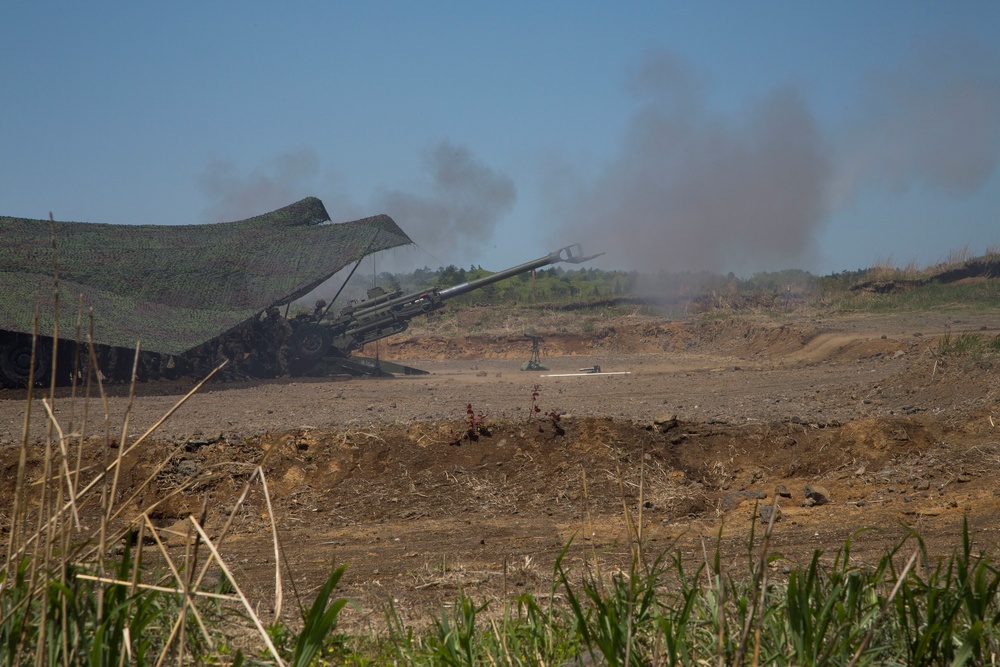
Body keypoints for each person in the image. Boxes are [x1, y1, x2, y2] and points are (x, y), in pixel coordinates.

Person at [264, 306, 294, 376]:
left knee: (281, 356)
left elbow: (290, 332)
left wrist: (285, 340)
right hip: (278, 342)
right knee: (276, 356)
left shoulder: (281, 320)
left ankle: (286, 373)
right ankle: (279, 372)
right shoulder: (275, 321)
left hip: (284, 342)